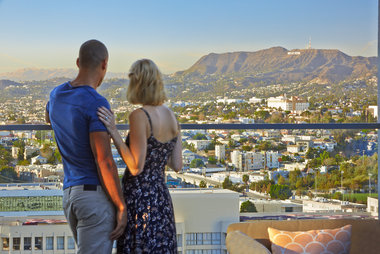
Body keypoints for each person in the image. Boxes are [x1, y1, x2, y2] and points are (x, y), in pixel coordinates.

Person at [46, 39, 127, 254]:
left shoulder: (56, 95)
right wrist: (120, 205)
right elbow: (104, 160)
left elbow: (48, 117)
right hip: (93, 198)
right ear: (104, 65)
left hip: (70, 196)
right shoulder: (96, 102)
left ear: (77, 62)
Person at [97, 59, 182, 253]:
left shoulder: (139, 116)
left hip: (140, 198)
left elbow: (136, 167)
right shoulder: (172, 116)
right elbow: (176, 164)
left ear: (138, 83)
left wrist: (114, 132)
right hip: (161, 197)